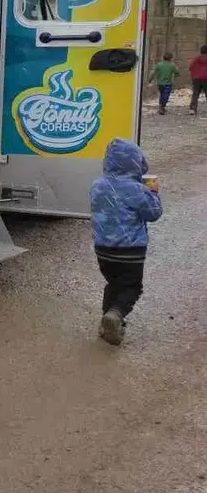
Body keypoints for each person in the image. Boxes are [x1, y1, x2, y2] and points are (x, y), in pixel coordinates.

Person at [89, 138, 162, 346]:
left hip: (103, 249)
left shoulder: (97, 185)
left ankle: (106, 324)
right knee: (132, 287)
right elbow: (154, 213)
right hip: (130, 250)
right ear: (135, 163)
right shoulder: (136, 189)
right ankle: (115, 315)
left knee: (113, 284)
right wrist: (153, 193)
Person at [191, 44, 207, 115]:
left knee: (196, 93)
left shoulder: (196, 58)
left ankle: (192, 109)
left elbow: (191, 66)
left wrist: (194, 74)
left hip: (196, 78)